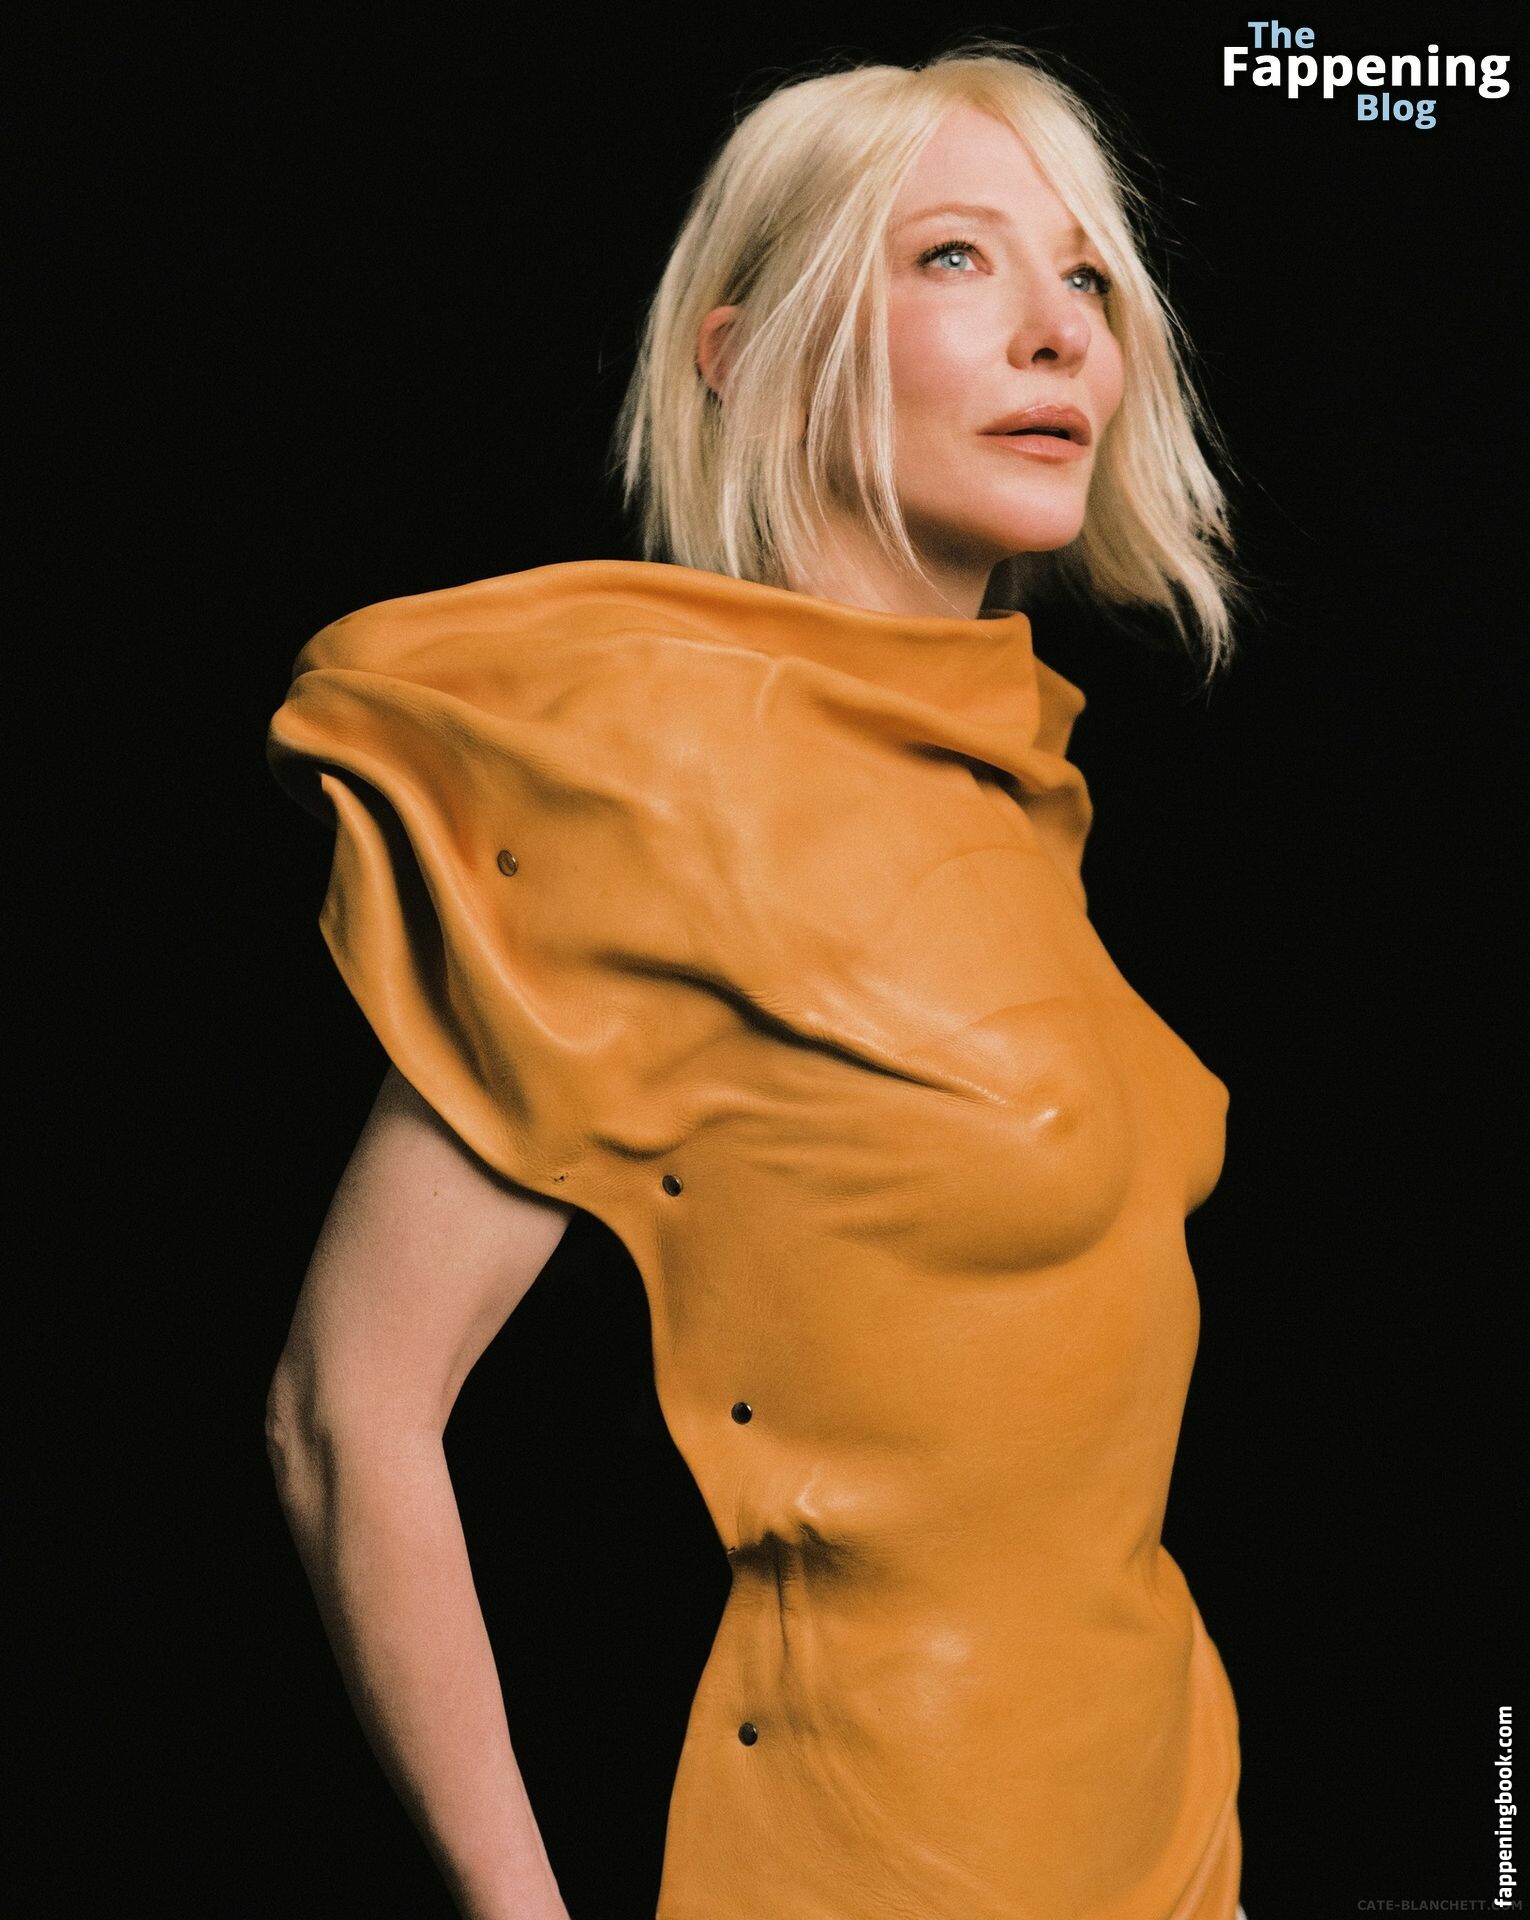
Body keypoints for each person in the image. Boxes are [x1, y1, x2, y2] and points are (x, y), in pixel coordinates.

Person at [264, 38, 1251, 1920]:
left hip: (1166, 1835)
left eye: (1086, 276)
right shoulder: (652, 782)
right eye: (953, 256)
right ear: (745, 348)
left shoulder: (1017, 798)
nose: (1058, 331)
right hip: (863, 1858)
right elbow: (343, 1410)